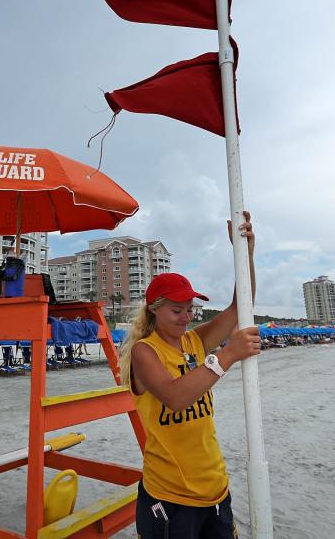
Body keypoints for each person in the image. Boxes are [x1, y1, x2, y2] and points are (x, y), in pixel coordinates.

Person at [120, 212, 260, 538]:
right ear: (154, 309)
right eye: (177, 310)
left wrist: (245, 252)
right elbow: (175, 397)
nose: (186, 317)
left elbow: (241, 306)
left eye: (190, 309)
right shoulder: (146, 352)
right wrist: (227, 355)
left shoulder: (195, 340)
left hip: (215, 488)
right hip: (170, 497)